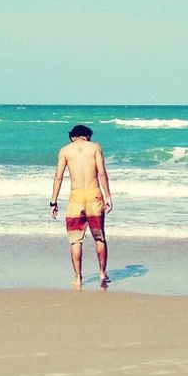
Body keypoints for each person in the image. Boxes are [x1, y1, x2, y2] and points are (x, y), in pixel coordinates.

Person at [50, 124, 113, 290]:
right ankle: (102, 274)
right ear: (88, 136)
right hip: (94, 195)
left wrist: (53, 201)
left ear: (72, 137)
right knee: (99, 237)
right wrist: (108, 196)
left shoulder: (65, 150)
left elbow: (58, 177)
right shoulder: (95, 147)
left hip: (76, 198)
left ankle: (78, 278)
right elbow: (101, 172)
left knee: (75, 240)